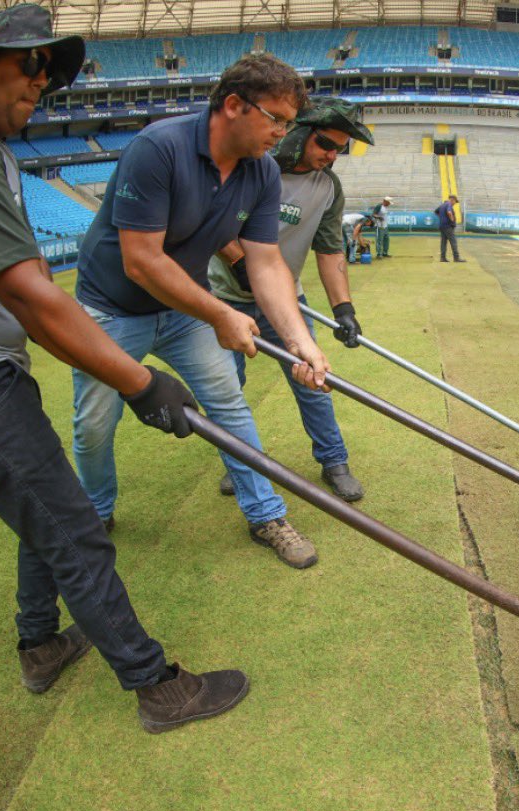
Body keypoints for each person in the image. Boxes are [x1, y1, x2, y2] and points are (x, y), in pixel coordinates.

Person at [0, 2, 247, 733]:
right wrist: (141, 382)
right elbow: (34, 300)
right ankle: (156, 687)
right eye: (29, 64)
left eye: (49, 73)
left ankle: (41, 644)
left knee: (45, 515)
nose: (41, 83)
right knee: (75, 528)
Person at [72, 53, 329, 570]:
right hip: (112, 310)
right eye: (275, 119)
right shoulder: (158, 148)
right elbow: (142, 262)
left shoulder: (261, 174)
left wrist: (300, 338)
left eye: (289, 122)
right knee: (95, 422)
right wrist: (220, 315)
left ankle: (265, 514)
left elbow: (266, 263)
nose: (283, 133)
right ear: (234, 105)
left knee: (229, 405)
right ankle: (95, 513)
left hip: (183, 308)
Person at [209, 97, 371, 502]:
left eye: (340, 148)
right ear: (298, 134)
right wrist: (242, 264)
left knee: (314, 382)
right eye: (325, 144)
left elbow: (331, 249)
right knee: (227, 389)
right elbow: (210, 221)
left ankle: (334, 461)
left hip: (285, 302)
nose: (332, 155)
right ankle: (241, 462)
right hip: (225, 299)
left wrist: (343, 309)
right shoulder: (249, 168)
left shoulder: (328, 188)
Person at [436, 194, 465, 262]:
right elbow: (449, 212)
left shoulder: (442, 205)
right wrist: (451, 219)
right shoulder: (449, 204)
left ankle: (442, 258)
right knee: (453, 242)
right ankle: (456, 258)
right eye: (455, 202)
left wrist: (442, 217)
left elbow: (436, 211)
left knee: (443, 242)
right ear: (453, 200)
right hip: (448, 227)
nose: (455, 203)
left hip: (442, 226)